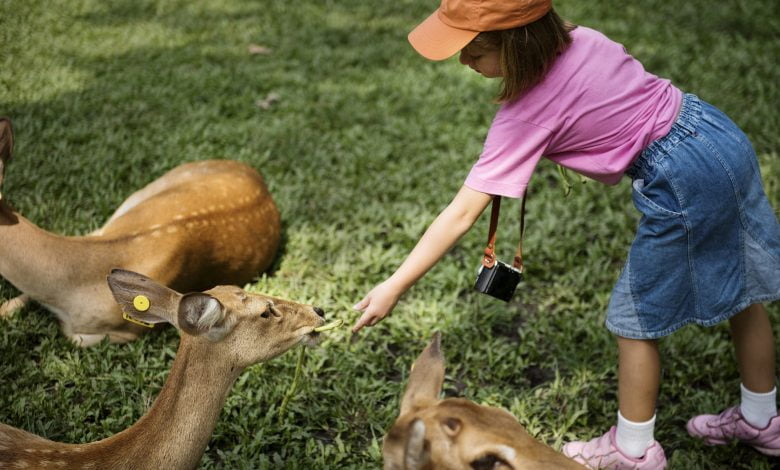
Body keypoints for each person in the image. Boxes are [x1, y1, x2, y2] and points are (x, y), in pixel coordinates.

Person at [350, 0, 780, 468]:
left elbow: (460, 214)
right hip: (716, 135)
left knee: (633, 319)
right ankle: (761, 420)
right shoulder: (581, 38)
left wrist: (394, 285)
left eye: (474, 52)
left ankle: (632, 451)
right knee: (742, 287)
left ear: (515, 47)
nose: (463, 62)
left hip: (681, 178)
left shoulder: (525, 114)